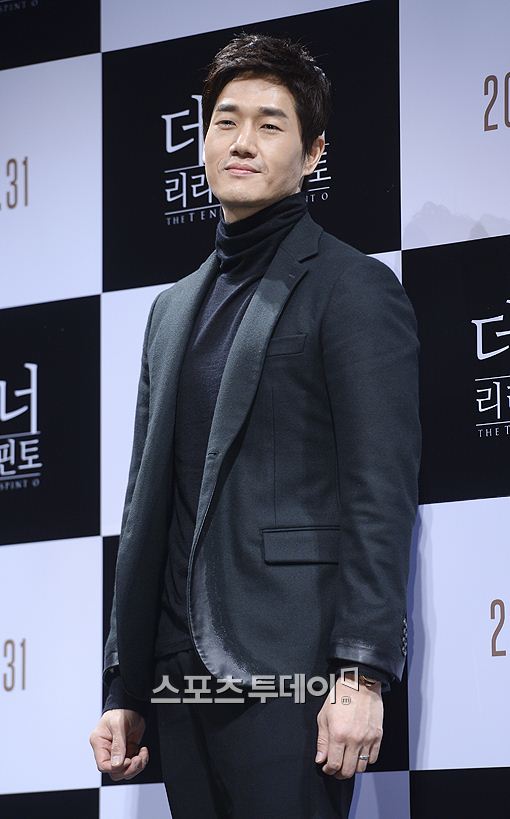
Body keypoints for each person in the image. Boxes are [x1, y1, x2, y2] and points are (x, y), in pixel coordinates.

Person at [89, 33, 420, 819]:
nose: (242, 141)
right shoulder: (170, 308)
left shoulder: (352, 287)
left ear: (313, 154)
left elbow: (379, 492)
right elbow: (146, 506)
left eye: (270, 124)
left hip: (290, 674)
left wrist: (361, 672)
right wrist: (124, 683)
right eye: (225, 121)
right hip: (179, 679)